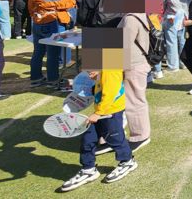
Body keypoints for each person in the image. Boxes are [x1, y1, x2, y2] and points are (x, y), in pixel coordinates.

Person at [60, 68, 137, 191]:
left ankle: (127, 162)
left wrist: (98, 114)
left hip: (110, 112)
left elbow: (109, 94)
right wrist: (98, 74)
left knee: (115, 139)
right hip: (101, 112)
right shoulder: (104, 68)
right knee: (87, 139)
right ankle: (88, 168)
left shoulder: (110, 70)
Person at [28, 0, 76, 88]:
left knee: (38, 52)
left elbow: (30, 9)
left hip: (38, 23)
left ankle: (36, 78)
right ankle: (53, 79)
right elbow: (68, 4)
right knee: (53, 53)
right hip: (53, 23)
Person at [118, 10, 155, 153]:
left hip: (133, 64)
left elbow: (122, 43)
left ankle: (140, 136)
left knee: (134, 101)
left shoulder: (131, 18)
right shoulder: (137, 14)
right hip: (136, 62)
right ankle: (140, 134)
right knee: (135, 100)